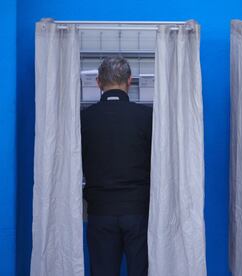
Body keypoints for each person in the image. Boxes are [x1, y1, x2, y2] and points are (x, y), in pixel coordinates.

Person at [81, 56, 152, 276]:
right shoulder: (147, 117)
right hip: (138, 212)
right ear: (130, 81)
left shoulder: (83, 119)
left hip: (100, 211)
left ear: (98, 82)